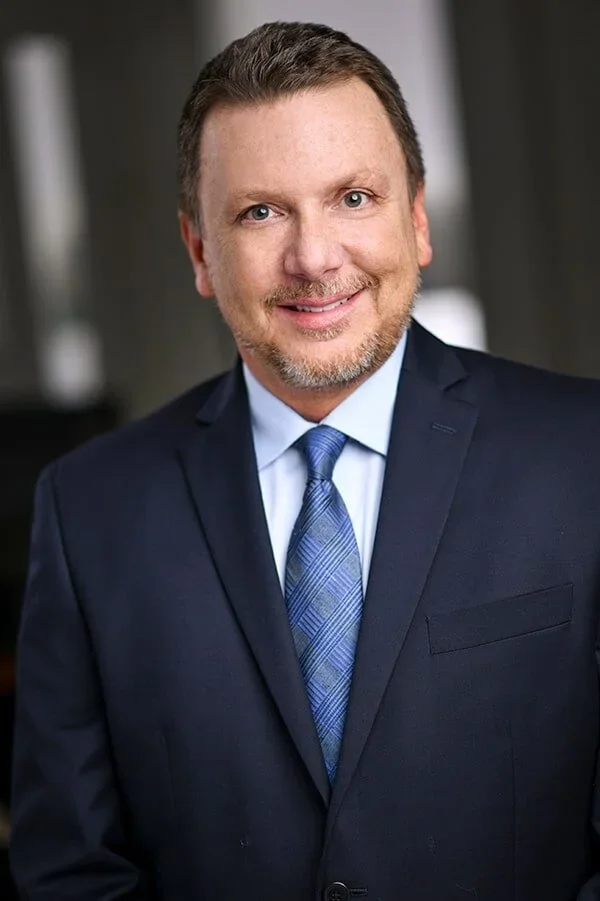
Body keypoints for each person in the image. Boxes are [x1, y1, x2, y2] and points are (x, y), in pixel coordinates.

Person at [9, 20, 600, 901]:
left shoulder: (583, 456)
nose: (314, 257)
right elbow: (70, 872)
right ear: (201, 252)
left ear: (418, 219)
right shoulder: (89, 512)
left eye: (353, 198)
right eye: (260, 211)